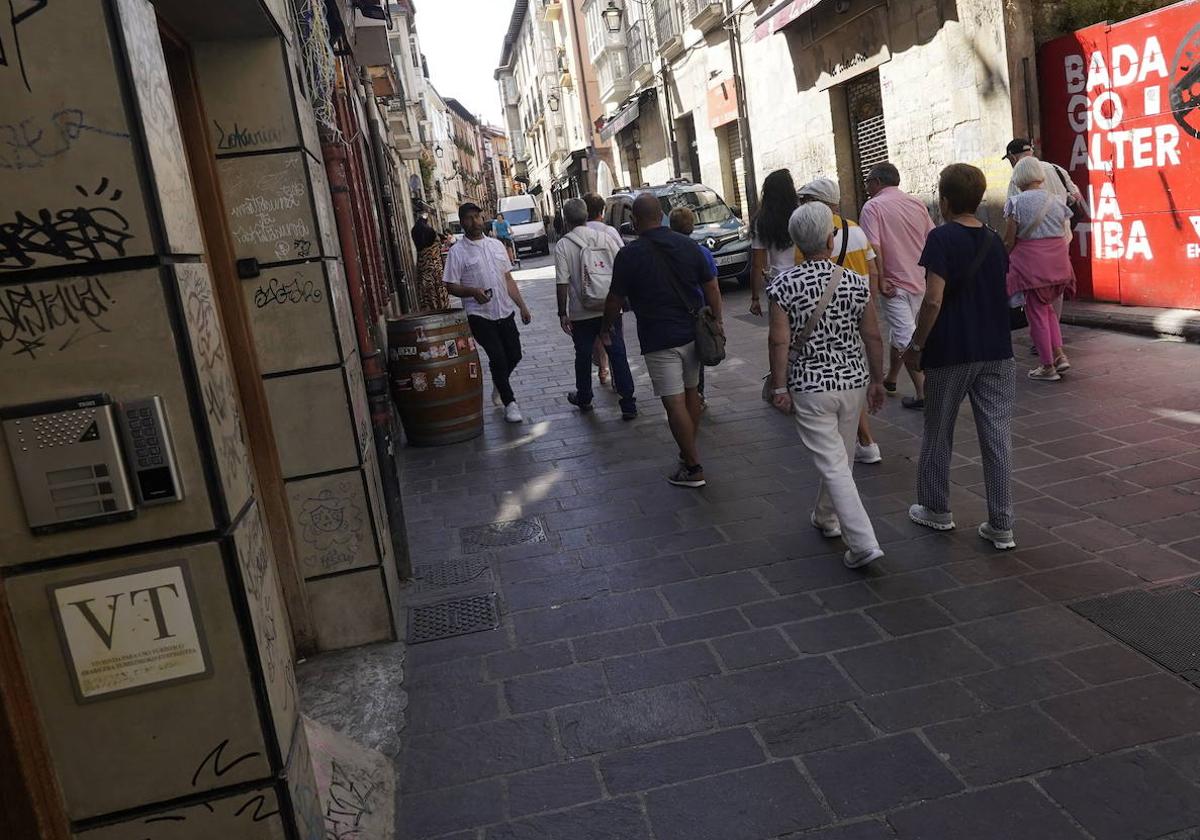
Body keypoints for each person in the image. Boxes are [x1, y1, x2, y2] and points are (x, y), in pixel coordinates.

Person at [766, 202, 887, 569]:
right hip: (852, 382)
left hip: (810, 386)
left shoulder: (783, 285)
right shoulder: (854, 282)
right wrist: (878, 379)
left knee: (835, 463)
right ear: (831, 241)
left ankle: (863, 542)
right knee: (841, 458)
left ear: (797, 244)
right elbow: (872, 335)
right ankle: (826, 516)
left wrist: (779, 387)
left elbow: (778, 341)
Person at [902, 163, 1017, 551]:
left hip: (952, 349)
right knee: (996, 435)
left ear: (945, 200)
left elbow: (933, 299)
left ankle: (936, 508)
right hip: (997, 349)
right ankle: (1002, 524)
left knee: (938, 430)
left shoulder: (941, 239)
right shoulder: (994, 240)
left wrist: (916, 346)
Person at [604, 193, 724, 488]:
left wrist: (606, 327)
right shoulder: (688, 245)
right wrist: (717, 322)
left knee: (674, 404)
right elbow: (711, 286)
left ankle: (693, 466)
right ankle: (688, 455)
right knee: (691, 393)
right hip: (691, 332)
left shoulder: (629, 255)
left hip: (658, 338)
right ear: (663, 216)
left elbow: (615, 299)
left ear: (635, 220)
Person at [797, 177, 883, 466]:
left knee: (838, 376)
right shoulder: (856, 229)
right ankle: (863, 441)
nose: (803, 205)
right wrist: (869, 301)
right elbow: (871, 268)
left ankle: (864, 441)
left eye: (806, 199)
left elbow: (804, 280)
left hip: (829, 317)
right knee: (852, 370)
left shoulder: (811, 233)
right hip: (859, 309)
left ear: (818, 202)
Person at [442, 202, 533, 424]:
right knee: (497, 357)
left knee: (514, 354)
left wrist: (522, 305)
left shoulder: (496, 245)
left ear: (483, 218)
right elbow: (450, 285)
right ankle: (509, 402)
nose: (474, 222)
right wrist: (472, 292)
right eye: (469, 218)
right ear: (462, 222)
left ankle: (499, 381)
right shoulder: (457, 252)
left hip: (504, 309)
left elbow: (508, 278)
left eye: (477, 217)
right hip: (479, 314)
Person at [859, 162, 934, 410]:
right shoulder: (916, 203)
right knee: (903, 331)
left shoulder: (872, 207)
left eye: (868, 181)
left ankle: (926, 392)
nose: (866, 186)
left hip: (894, 283)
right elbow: (931, 238)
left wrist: (879, 277)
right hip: (919, 279)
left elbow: (873, 247)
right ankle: (892, 378)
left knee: (905, 336)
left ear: (878, 182)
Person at [555, 198, 637, 419]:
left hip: (581, 311)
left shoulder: (564, 244)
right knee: (617, 352)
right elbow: (620, 271)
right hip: (609, 307)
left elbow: (562, 282)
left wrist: (562, 313)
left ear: (566, 219)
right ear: (585, 216)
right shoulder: (605, 237)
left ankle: (585, 397)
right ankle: (628, 402)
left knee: (582, 355)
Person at [1003, 157, 1076, 381]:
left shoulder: (1015, 203)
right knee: (1049, 311)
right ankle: (1059, 355)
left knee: (1036, 315)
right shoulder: (1056, 201)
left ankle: (1047, 366)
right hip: (1058, 263)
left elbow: (1009, 240)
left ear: (1018, 177)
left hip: (1032, 268)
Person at [668, 206, 714, 408]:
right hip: (699, 310)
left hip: (676, 310)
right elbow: (713, 286)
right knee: (698, 355)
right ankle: (698, 394)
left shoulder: (666, 252)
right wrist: (717, 316)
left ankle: (682, 394)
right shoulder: (701, 251)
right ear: (692, 226)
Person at [583, 192, 626, 386]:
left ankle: (602, 366)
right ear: (602, 211)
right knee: (615, 337)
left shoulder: (579, 233)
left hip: (588, 296)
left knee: (596, 337)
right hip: (612, 294)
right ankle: (619, 379)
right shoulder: (609, 232)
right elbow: (623, 258)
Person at [748, 169, 800, 317]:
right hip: (803, 280)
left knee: (780, 332)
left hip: (779, 284)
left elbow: (757, 264)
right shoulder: (800, 214)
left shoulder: (761, 221)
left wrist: (755, 298)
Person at [411, 214, 451, 311]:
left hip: (423, 267)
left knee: (426, 295)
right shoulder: (430, 232)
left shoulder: (415, 231)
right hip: (435, 268)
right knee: (438, 293)